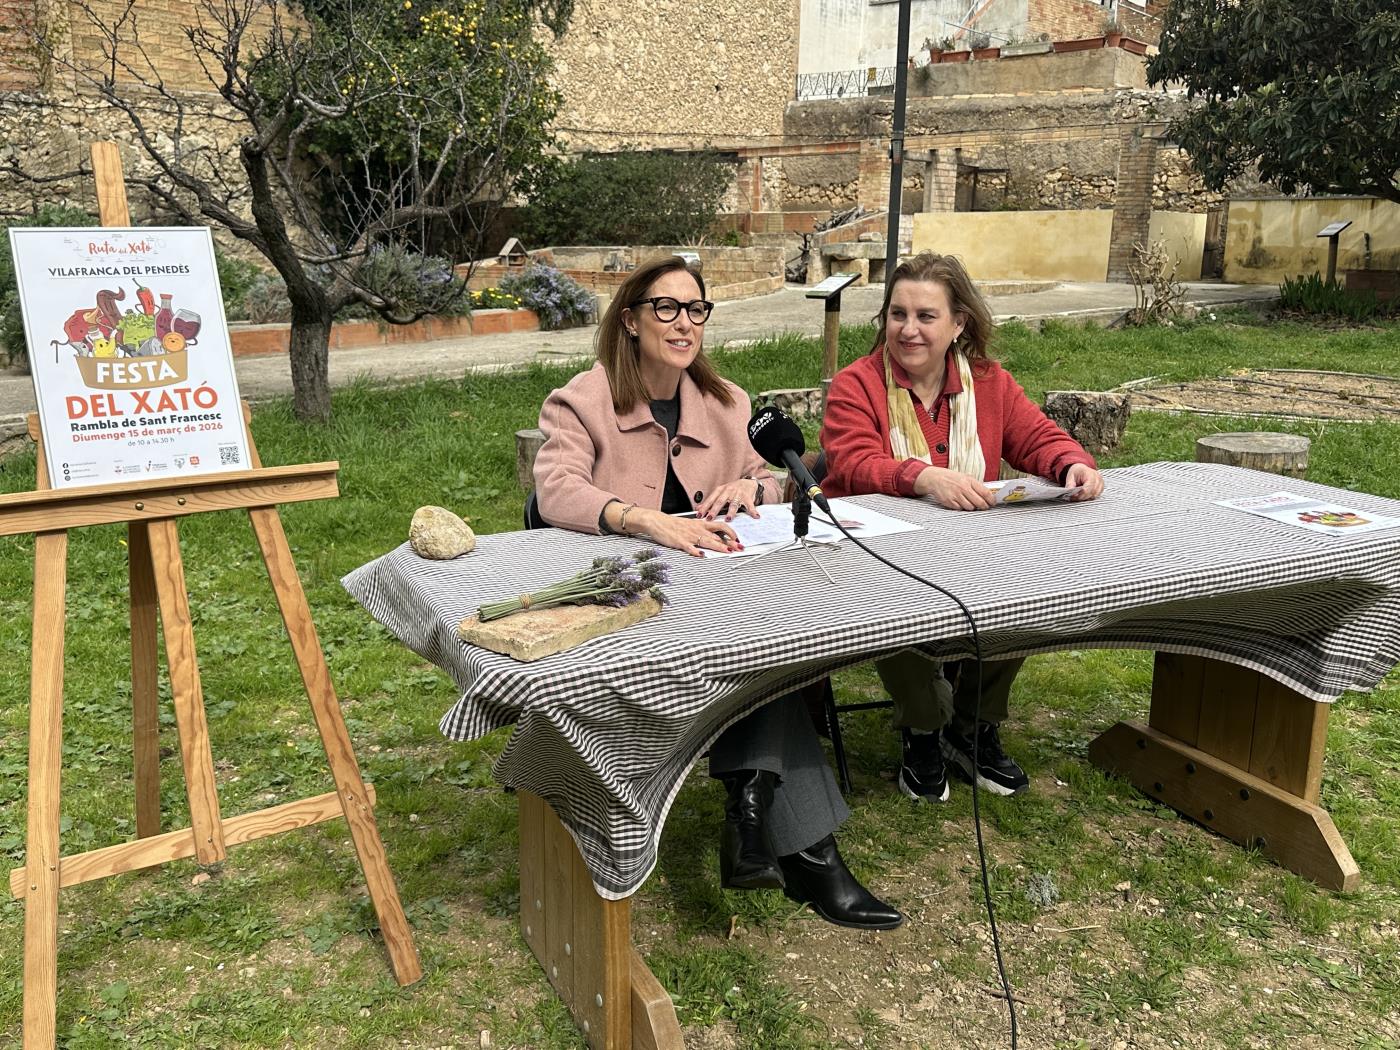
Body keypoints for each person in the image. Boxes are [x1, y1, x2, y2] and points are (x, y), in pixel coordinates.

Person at [534, 255, 902, 930]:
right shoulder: (581, 400)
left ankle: (755, 817)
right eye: (666, 308)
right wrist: (643, 518)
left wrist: (752, 488)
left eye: (695, 309)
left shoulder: (729, 403)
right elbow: (555, 490)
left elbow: (785, 480)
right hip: (635, 597)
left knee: (776, 639)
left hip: (726, 583)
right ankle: (797, 844)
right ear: (631, 321)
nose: (683, 322)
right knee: (756, 654)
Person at [820, 252, 1105, 803]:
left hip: (970, 551)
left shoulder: (991, 383)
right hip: (876, 555)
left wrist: (1072, 462)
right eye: (897, 314)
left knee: (1030, 595)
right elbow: (850, 463)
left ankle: (971, 727)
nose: (908, 329)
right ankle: (923, 730)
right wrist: (924, 477)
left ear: (959, 324)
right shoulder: (857, 384)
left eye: (926, 316)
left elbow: (1037, 437)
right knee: (893, 604)